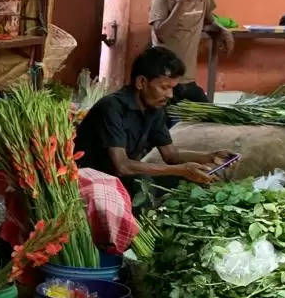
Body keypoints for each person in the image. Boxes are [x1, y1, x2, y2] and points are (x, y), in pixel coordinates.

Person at [75, 46, 233, 197]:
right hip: (87, 180)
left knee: (194, 183)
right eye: (164, 87)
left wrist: (210, 157)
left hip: (120, 178)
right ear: (141, 82)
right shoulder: (111, 108)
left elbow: (171, 156)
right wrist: (181, 170)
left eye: (172, 88)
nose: (170, 95)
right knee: (147, 188)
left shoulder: (154, 109)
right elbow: (122, 166)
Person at [149, 0, 233, 104]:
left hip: (188, 79)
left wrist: (223, 30)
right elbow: (162, 35)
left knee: (207, 120)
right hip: (164, 80)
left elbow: (209, 19)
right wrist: (181, 2)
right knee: (166, 126)